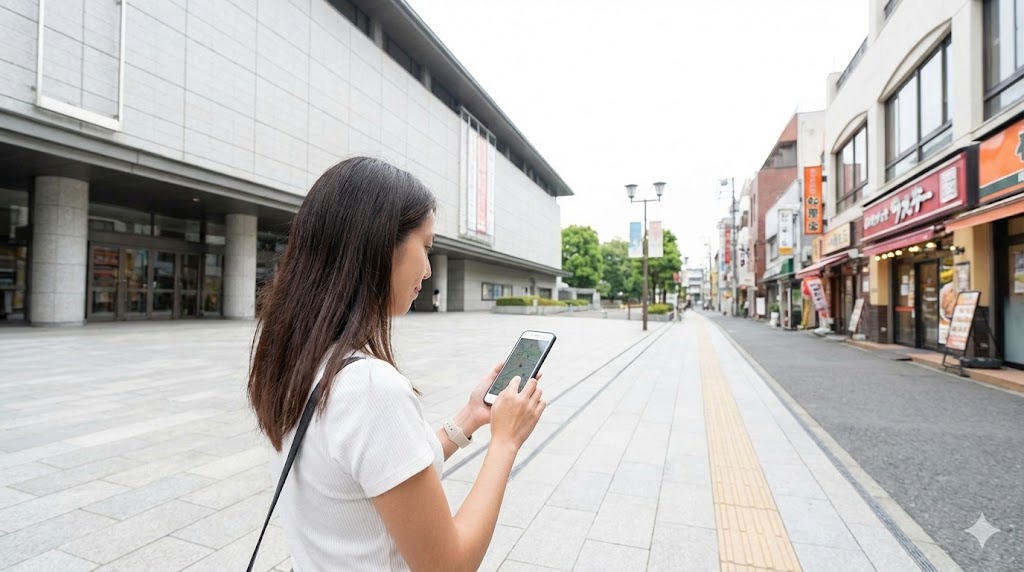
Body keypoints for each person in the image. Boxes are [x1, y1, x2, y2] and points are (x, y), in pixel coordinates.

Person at [247, 157, 547, 572]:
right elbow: (449, 566)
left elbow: (384, 470)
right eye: (425, 247)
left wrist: (470, 417)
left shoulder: (300, 357)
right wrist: (504, 442)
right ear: (380, 244)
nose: (427, 269)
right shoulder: (369, 388)